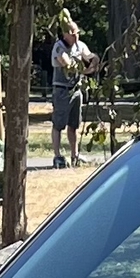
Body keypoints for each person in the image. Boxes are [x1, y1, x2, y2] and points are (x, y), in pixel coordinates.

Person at [49, 13, 97, 169]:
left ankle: (74, 155)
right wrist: (85, 70)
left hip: (77, 90)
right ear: (65, 34)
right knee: (58, 124)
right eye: (72, 33)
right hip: (62, 90)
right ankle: (57, 156)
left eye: (77, 33)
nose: (75, 36)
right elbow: (67, 64)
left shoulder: (80, 45)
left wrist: (94, 59)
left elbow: (88, 56)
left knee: (74, 124)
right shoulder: (59, 47)